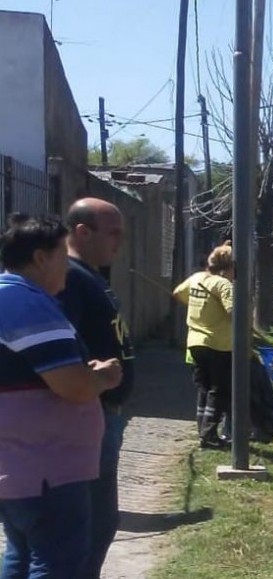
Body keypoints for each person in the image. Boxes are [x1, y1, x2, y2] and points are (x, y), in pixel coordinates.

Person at [0, 213, 122, 578]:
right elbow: (73, 386)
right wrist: (103, 377)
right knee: (57, 563)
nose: (68, 268)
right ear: (40, 258)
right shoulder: (25, 302)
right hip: (47, 469)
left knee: (21, 555)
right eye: (62, 256)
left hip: (21, 465)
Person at [58, 197, 134, 578]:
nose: (119, 242)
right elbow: (61, 348)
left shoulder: (92, 276)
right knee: (92, 525)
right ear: (82, 232)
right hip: (91, 414)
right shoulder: (69, 279)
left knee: (100, 523)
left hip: (106, 413)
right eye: (113, 233)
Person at [173, 242, 234, 449]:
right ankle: (209, 436)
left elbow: (178, 293)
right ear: (228, 267)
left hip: (195, 343)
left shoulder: (196, 278)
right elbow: (233, 312)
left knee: (204, 387)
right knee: (219, 389)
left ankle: (202, 430)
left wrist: (199, 309)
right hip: (218, 344)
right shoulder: (223, 285)